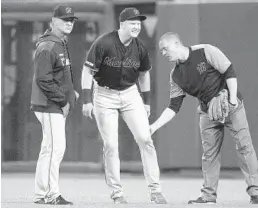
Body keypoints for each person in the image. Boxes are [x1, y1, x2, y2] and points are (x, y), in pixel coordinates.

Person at [150, 32, 258, 204]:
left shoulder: (205, 51)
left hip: (231, 105)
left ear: (177, 43)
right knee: (209, 155)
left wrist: (231, 100)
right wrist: (154, 127)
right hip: (208, 111)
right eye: (161, 50)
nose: (163, 53)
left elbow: (229, 71)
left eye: (165, 48)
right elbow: (174, 106)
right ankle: (208, 196)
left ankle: (256, 192)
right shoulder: (176, 75)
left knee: (245, 146)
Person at [81, 7, 167, 204]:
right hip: (104, 95)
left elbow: (144, 74)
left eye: (139, 22)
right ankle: (117, 193)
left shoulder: (140, 47)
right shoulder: (104, 43)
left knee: (145, 139)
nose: (137, 26)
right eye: (133, 22)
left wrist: (146, 102)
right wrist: (86, 100)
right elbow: (87, 72)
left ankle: (155, 190)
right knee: (111, 145)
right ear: (122, 24)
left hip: (130, 94)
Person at [30, 4, 78, 205]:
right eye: (65, 20)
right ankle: (51, 195)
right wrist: (63, 100)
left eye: (71, 20)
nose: (69, 23)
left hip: (52, 104)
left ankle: (42, 194)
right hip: (49, 105)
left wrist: (70, 91)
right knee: (55, 149)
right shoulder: (48, 46)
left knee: (48, 149)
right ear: (54, 21)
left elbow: (58, 74)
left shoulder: (59, 42)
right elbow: (43, 79)